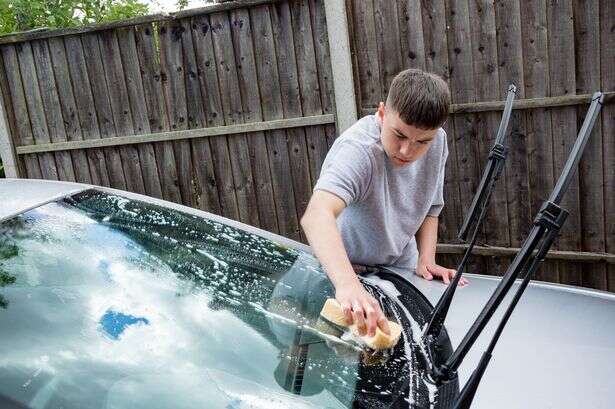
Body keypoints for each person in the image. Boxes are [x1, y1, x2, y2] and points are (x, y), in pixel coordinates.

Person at [300, 68, 468, 339]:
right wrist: (348, 285)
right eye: (399, 135)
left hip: (398, 268)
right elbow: (316, 214)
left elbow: (431, 207)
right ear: (381, 113)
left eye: (421, 142)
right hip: (344, 271)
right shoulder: (359, 150)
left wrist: (427, 258)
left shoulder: (438, 143)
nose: (407, 151)